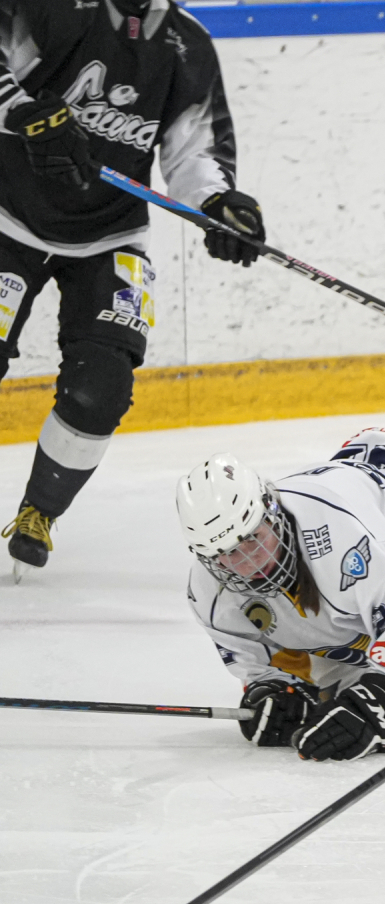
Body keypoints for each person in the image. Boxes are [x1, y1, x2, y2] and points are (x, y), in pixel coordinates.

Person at [1, 0, 263, 578]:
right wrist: (20, 111)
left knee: (102, 386)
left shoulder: (187, 45)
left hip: (111, 233)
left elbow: (194, 148)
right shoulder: (50, 9)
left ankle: (39, 512)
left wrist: (218, 204)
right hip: (6, 215)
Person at [177, 427, 385, 762]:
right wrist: (276, 692)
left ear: (271, 510)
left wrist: (381, 703)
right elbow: (262, 665)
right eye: (228, 554)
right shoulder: (209, 593)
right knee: (336, 702)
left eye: (252, 539)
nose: (249, 563)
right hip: (362, 496)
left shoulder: (339, 534)